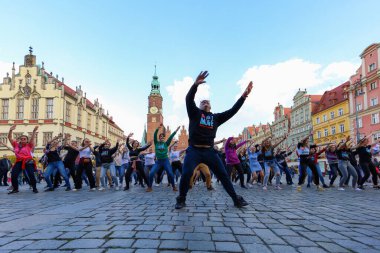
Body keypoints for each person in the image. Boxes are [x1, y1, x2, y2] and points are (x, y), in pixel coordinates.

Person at [175, 71, 253, 209]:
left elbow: (232, 111)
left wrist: (243, 97)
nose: (205, 103)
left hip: (210, 152)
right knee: (186, 173)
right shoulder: (194, 113)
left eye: (207, 102)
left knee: (223, 175)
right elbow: (188, 99)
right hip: (194, 150)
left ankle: (236, 199)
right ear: (199, 106)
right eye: (203, 102)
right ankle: (181, 199)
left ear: (210, 107)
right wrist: (195, 85)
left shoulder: (216, 118)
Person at [146, 124, 180, 192]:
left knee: (170, 173)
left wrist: (176, 130)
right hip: (158, 162)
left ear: (164, 138)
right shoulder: (156, 143)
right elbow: (155, 135)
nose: (162, 137)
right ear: (159, 138)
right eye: (161, 136)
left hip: (165, 161)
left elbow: (171, 137)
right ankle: (150, 187)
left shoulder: (166, 144)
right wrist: (158, 128)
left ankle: (173, 186)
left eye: (163, 137)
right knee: (151, 173)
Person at [7, 125, 38, 194]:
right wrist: (11, 130)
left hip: (27, 161)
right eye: (22, 138)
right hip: (19, 161)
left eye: (25, 139)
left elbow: (32, 139)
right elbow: (9, 138)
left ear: (27, 140)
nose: (23, 139)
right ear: (20, 140)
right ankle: (15, 189)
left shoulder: (29, 145)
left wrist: (34, 131)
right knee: (14, 175)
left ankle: (34, 188)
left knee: (31, 175)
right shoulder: (16, 145)